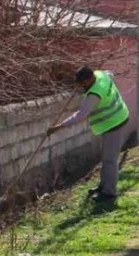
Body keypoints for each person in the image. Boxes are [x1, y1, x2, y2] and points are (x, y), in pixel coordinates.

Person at [49, 66, 130, 203]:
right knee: (106, 158)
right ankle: (103, 186)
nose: (82, 86)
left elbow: (81, 115)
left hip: (114, 123)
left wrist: (59, 127)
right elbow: (110, 73)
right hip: (116, 117)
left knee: (110, 160)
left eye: (83, 83)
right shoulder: (101, 75)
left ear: (90, 78)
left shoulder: (94, 94)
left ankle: (109, 193)